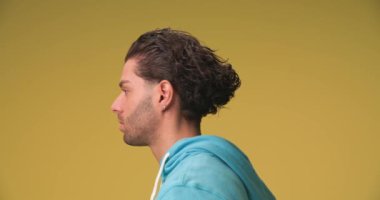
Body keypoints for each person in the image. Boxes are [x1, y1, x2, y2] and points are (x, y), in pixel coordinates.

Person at [111, 28, 275, 200]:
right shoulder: (211, 171)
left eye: (126, 90)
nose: (115, 106)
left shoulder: (189, 186)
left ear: (163, 95)